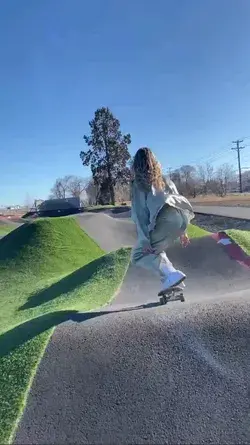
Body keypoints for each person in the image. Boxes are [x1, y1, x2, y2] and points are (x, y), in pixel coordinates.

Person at [130, 147, 195, 293]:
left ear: (136, 165)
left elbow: (140, 215)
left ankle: (170, 275)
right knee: (156, 251)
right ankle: (172, 279)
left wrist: (145, 239)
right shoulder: (164, 179)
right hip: (181, 219)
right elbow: (178, 201)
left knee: (139, 255)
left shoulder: (138, 184)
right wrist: (183, 231)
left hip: (164, 220)